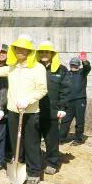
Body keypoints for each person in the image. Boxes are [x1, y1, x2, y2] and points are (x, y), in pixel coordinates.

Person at [0, 34, 48, 184]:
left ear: (30, 51)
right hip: (13, 111)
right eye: (17, 49)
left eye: (24, 49)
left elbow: (42, 90)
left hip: (30, 112)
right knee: (16, 142)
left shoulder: (38, 68)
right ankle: (19, 164)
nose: (20, 52)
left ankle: (34, 171)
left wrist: (27, 101)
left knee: (31, 142)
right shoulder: (12, 67)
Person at [36, 41, 70, 174]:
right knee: (33, 139)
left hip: (52, 110)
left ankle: (52, 162)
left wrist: (63, 107)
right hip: (35, 110)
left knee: (51, 139)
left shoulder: (61, 70)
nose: (44, 54)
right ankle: (36, 161)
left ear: (52, 54)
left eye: (47, 52)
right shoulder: (34, 68)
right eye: (42, 52)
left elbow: (66, 90)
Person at [60, 52, 91, 145]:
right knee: (65, 120)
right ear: (70, 65)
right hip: (68, 101)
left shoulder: (82, 72)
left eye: (75, 65)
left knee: (79, 120)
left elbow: (87, 68)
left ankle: (79, 138)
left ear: (78, 65)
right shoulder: (67, 74)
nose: (74, 66)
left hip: (80, 100)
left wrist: (84, 61)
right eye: (72, 65)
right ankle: (61, 138)